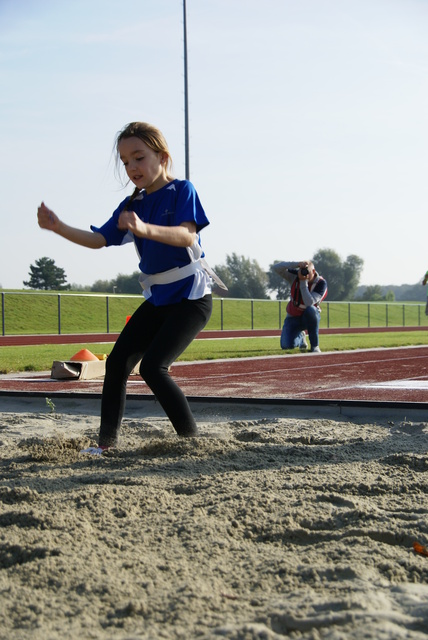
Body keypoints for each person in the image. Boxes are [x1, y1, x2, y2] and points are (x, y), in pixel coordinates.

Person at [37, 121, 226, 454]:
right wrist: (58, 227)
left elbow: (187, 235)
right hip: (158, 299)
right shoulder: (131, 205)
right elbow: (99, 239)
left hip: (191, 298)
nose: (132, 167)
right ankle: (106, 445)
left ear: (162, 156)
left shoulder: (182, 191)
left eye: (139, 157)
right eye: (125, 161)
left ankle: (191, 442)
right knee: (118, 361)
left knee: (154, 367)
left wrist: (144, 228)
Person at [273, 260, 327, 353]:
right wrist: (296, 264)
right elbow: (276, 268)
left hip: (309, 317)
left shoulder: (321, 284)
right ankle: (300, 337)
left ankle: (315, 345)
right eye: (302, 271)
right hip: (293, 317)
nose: (305, 275)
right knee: (286, 345)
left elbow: (309, 302)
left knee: (311, 310)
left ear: (313, 272)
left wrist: (303, 283)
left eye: (308, 272)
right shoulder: (296, 275)